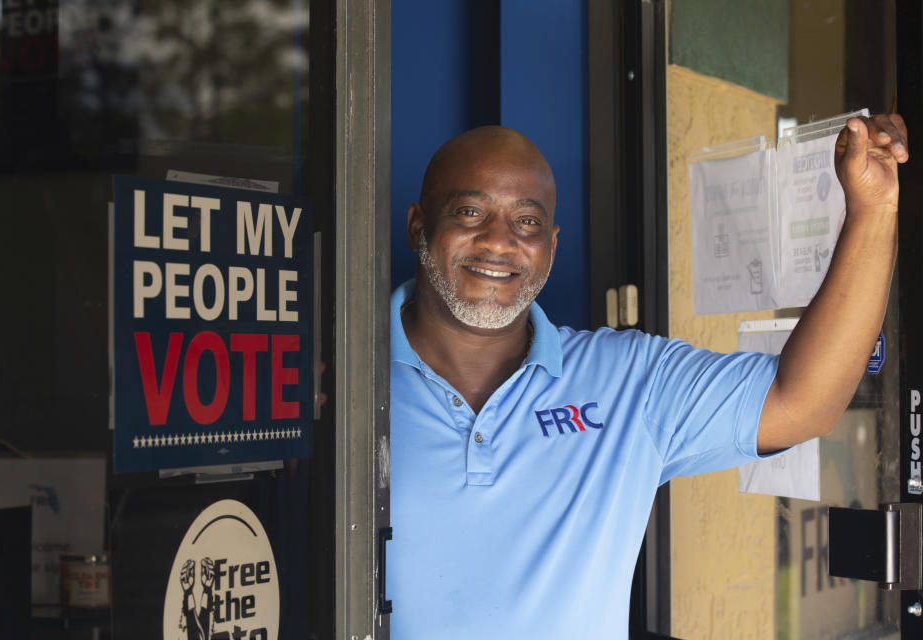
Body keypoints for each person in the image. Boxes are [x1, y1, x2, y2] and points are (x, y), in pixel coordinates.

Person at [386, 117, 908, 639]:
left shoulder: (630, 380)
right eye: (471, 212)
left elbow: (803, 403)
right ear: (418, 226)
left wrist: (872, 211)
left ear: (552, 244)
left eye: (528, 222)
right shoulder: (341, 388)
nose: (499, 241)